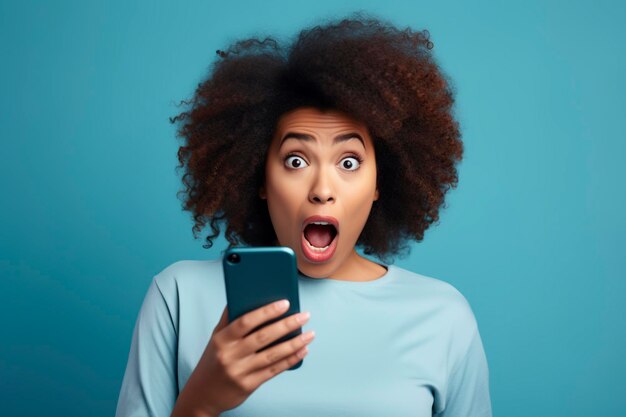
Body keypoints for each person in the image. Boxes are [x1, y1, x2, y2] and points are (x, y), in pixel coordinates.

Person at [115, 14, 492, 417]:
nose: (322, 190)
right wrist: (200, 402)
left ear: (381, 182)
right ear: (260, 177)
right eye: (296, 160)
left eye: (349, 162)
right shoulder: (178, 296)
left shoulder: (442, 316)